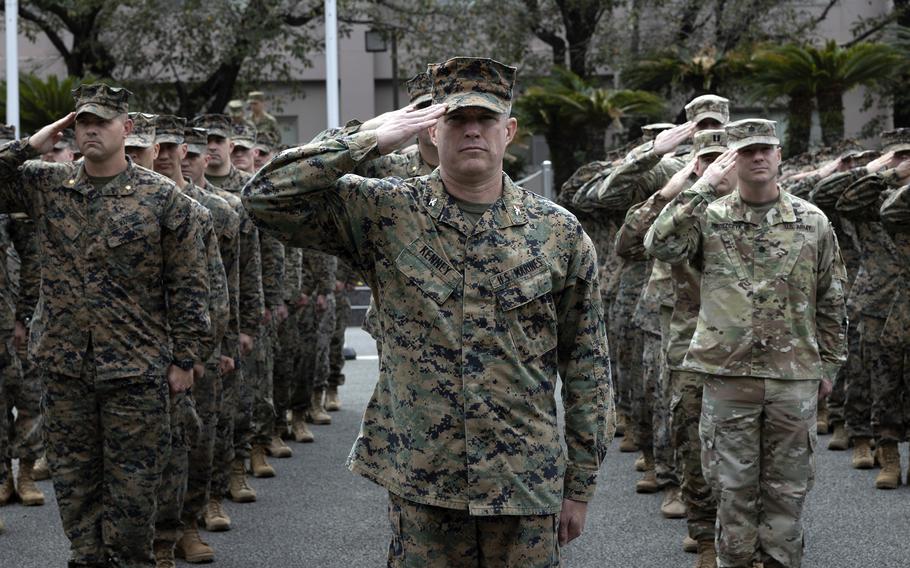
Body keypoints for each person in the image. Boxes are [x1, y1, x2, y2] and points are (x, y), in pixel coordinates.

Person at [243, 56, 614, 567]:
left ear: (508, 131)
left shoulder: (559, 233)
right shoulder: (386, 211)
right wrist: (368, 137)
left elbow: (588, 367)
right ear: (432, 130)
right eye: (457, 119)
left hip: (524, 480)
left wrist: (582, 485)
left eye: (484, 120)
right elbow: (264, 197)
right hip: (424, 481)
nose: (472, 132)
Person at [0, 84, 210, 567]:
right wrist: (32, 143)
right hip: (64, 367)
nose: (90, 130)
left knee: (134, 499)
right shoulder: (48, 185)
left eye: (101, 122)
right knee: (76, 493)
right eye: (81, 122)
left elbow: (189, 284)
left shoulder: (163, 200)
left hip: (136, 373)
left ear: (127, 129)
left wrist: (185, 359)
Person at [647, 118, 847, 568]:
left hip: (792, 379)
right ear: (731, 160)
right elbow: (658, 243)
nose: (757, 158)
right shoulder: (709, 217)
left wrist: (829, 368)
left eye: (765, 150)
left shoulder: (811, 222)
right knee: (732, 496)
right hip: (727, 379)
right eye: (746, 152)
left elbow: (832, 299)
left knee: (787, 497)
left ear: (779, 157)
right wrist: (702, 187)